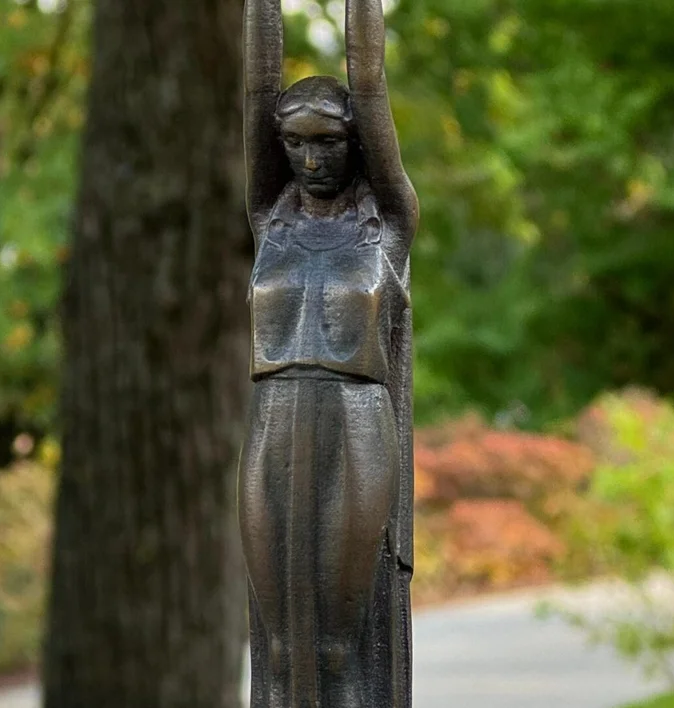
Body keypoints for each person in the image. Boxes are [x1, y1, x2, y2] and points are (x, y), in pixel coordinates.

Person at [239, 0, 418, 705]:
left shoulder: (388, 226)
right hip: (273, 418)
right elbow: (256, 86)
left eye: (330, 144)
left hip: (355, 420)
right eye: (296, 145)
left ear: (357, 147)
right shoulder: (268, 221)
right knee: (279, 645)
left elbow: (368, 82)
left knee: (339, 646)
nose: (312, 160)